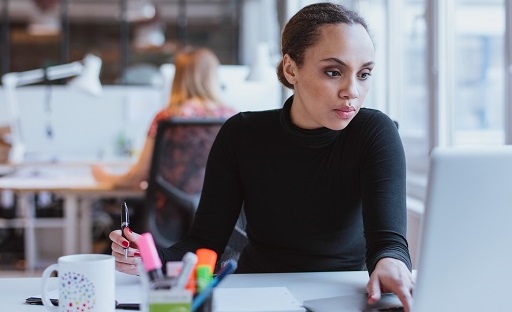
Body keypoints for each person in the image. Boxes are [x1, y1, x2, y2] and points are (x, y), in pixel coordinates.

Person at [109, 3, 415, 311]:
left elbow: (388, 244)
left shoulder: (375, 132)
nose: (352, 90)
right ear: (290, 68)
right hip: (258, 289)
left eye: (364, 74)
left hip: (343, 290)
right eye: (333, 72)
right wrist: (148, 257)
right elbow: (205, 243)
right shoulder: (241, 134)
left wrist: (391, 263)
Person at [92, 47, 236, 189]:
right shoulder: (232, 118)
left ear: (178, 78)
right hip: (219, 211)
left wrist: (103, 176)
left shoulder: (168, 116)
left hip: (170, 210)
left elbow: (138, 176)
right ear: (213, 77)